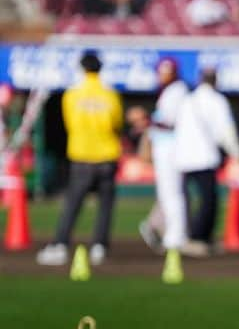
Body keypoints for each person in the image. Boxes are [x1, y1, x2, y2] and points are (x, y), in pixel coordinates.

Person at [36, 50, 122, 266]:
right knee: (105, 205)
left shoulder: (72, 95)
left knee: (73, 203)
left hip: (82, 155)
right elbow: (116, 123)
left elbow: (70, 124)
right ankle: (99, 247)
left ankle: (61, 245)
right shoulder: (110, 95)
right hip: (107, 155)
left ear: (82, 68)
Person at [173, 67, 239, 255]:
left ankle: (186, 235)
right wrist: (236, 152)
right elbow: (225, 130)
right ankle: (199, 238)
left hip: (184, 158)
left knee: (185, 199)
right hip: (204, 157)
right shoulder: (217, 101)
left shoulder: (188, 100)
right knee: (209, 200)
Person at [141, 57, 189, 254]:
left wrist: (146, 122)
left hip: (171, 147)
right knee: (167, 193)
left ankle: (175, 235)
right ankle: (169, 231)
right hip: (164, 146)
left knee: (172, 192)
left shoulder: (177, 91)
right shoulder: (169, 92)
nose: (163, 75)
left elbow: (170, 123)